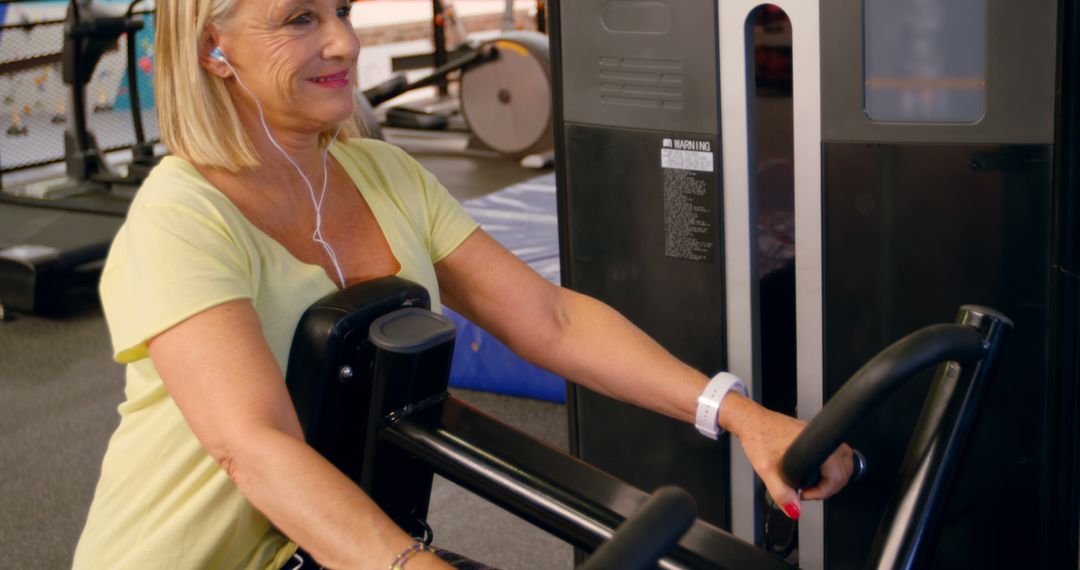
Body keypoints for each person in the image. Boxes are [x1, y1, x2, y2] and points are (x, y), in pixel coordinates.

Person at [72, 0, 854, 567]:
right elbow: (255, 449)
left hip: (335, 549)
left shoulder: (381, 172)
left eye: (342, 9)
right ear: (215, 50)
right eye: (299, 19)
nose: (343, 40)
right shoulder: (181, 217)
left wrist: (741, 415)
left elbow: (551, 318)